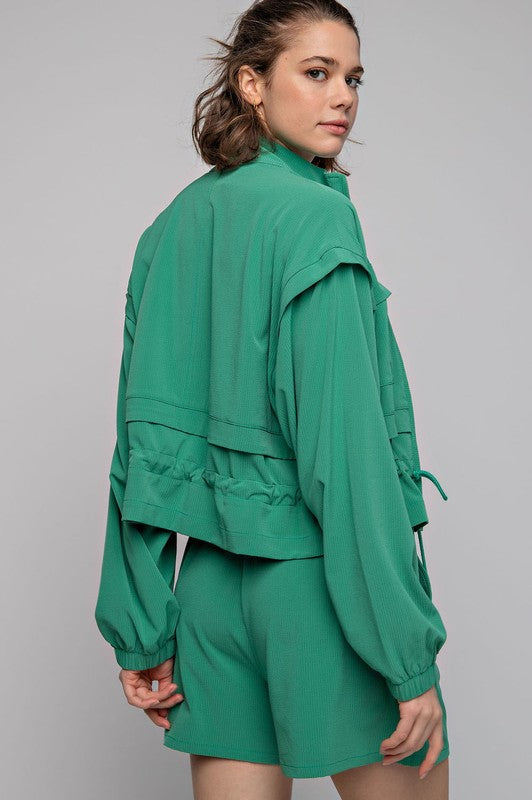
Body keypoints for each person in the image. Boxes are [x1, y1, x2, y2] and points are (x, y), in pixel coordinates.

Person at [94, 1, 451, 797]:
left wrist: (142, 626)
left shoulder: (171, 226)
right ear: (251, 83)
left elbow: (138, 439)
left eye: (353, 78)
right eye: (317, 73)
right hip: (323, 592)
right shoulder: (315, 219)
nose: (343, 97)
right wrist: (406, 657)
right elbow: (345, 457)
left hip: (208, 594)